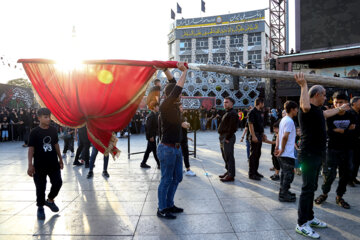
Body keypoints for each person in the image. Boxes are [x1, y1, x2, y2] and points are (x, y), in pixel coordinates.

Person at [295, 73, 349, 238]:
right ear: (316, 95)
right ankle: (301, 223)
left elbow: (326, 114)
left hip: (317, 154)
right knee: (306, 189)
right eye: (324, 95)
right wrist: (303, 85)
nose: (326, 98)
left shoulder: (318, 111)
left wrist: (339, 109)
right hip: (309, 155)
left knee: (312, 188)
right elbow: (304, 105)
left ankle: (310, 218)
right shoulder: (307, 109)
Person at [314, 91, 355, 209]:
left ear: (346, 103)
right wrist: (346, 130)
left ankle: (339, 196)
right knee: (329, 174)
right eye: (336, 102)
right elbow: (328, 132)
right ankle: (324, 193)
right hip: (332, 149)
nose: (338, 105)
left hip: (347, 149)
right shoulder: (330, 115)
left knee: (345, 174)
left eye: (341, 102)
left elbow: (355, 131)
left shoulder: (351, 115)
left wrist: (342, 131)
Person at [157, 62, 187, 219]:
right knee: (167, 179)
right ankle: (162, 208)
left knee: (177, 178)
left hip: (176, 148)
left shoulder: (173, 104)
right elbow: (177, 88)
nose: (180, 95)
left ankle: (169, 204)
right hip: (167, 148)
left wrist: (165, 69)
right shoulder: (166, 105)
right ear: (172, 95)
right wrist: (185, 71)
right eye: (178, 94)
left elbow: (173, 84)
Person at [27, 108, 64, 220]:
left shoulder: (53, 130)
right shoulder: (34, 132)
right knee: (40, 187)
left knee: (58, 183)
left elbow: (56, 145)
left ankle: (50, 200)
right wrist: (30, 165)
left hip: (53, 163)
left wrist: (60, 159)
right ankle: (40, 208)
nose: (48, 119)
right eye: (45, 117)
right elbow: (31, 149)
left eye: (49, 117)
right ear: (39, 118)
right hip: (39, 165)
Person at [275, 101, 299, 202]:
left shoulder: (283, 119)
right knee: (288, 175)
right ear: (292, 109)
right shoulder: (289, 121)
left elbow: (279, 135)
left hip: (283, 152)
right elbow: (284, 136)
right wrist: (283, 149)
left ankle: (284, 192)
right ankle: (284, 194)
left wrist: (277, 147)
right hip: (286, 153)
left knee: (285, 174)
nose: (297, 111)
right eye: (296, 109)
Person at [218, 97, 239, 182]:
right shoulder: (228, 112)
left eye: (227, 102)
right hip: (223, 137)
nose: (224, 103)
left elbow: (233, 127)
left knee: (229, 156)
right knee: (225, 156)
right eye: (224, 102)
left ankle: (231, 175)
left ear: (232, 103)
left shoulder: (233, 113)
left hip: (227, 137)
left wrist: (227, 138)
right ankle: (228, 171)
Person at [248, 98, 265, 180]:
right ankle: (251, 173)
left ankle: (256, 171)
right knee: (253, 155)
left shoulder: (260, 112)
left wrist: (263, 134)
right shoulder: (252, 112)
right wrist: (253, 136)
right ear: (260, 103)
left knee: (258, 154)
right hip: (255, 135)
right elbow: (250, 124)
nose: (263, 104)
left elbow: (261, 124)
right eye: (263, 103)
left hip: (259, 135)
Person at [141, 101, 160, 169]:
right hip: (151, 136)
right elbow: (148, 127)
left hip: (153, 135)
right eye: (157, 106)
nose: (158, 107)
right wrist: (151, 136)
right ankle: (159, 164)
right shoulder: (151, 116)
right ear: (154, 107)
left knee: (148, 150)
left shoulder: (155, 114)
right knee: (154, 150)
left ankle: (143, 163)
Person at [179, 103, 196, 176]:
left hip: (182, 138)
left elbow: (186, 125)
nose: (182, 108)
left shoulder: (180, 116)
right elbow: (186, 125)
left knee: (182, 154)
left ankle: (180, 168)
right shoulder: (179, 116)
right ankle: (188, 170)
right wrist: (187, 124)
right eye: (181, 107)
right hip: (181, 139)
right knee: (185, 154)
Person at [349, 96, 360, 185]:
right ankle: (349, 179)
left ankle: (354, 177)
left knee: (357, 161)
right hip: (351, 141)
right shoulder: (349, 113)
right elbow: (351, 127)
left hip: (358, 141)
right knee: (351, 161)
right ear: (354, 103)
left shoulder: (358, 113)